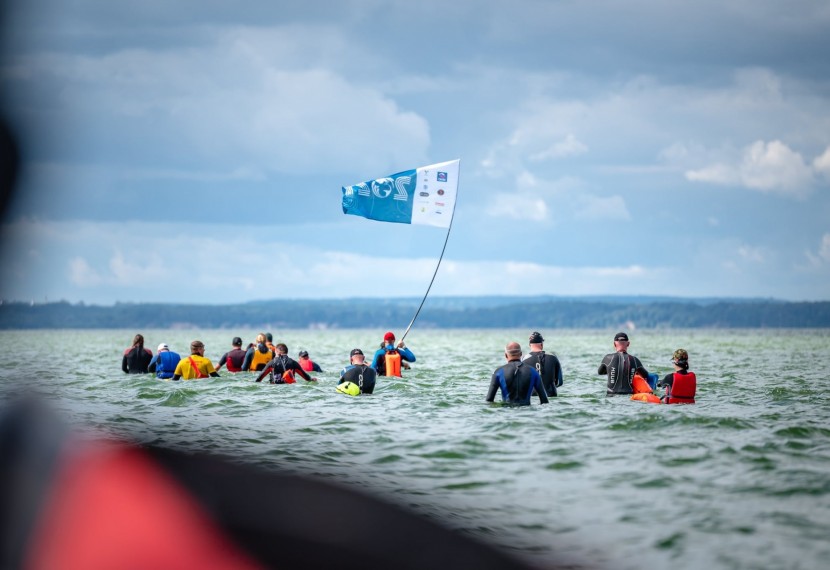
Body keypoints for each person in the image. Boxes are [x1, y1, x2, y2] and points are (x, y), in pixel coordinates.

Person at [521, 331, 563, 397]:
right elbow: (560, 382)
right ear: (541, 344)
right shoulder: (553, 357)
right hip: (550, 394)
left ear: (529, 345)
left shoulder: (524, 359)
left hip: (532, 396)